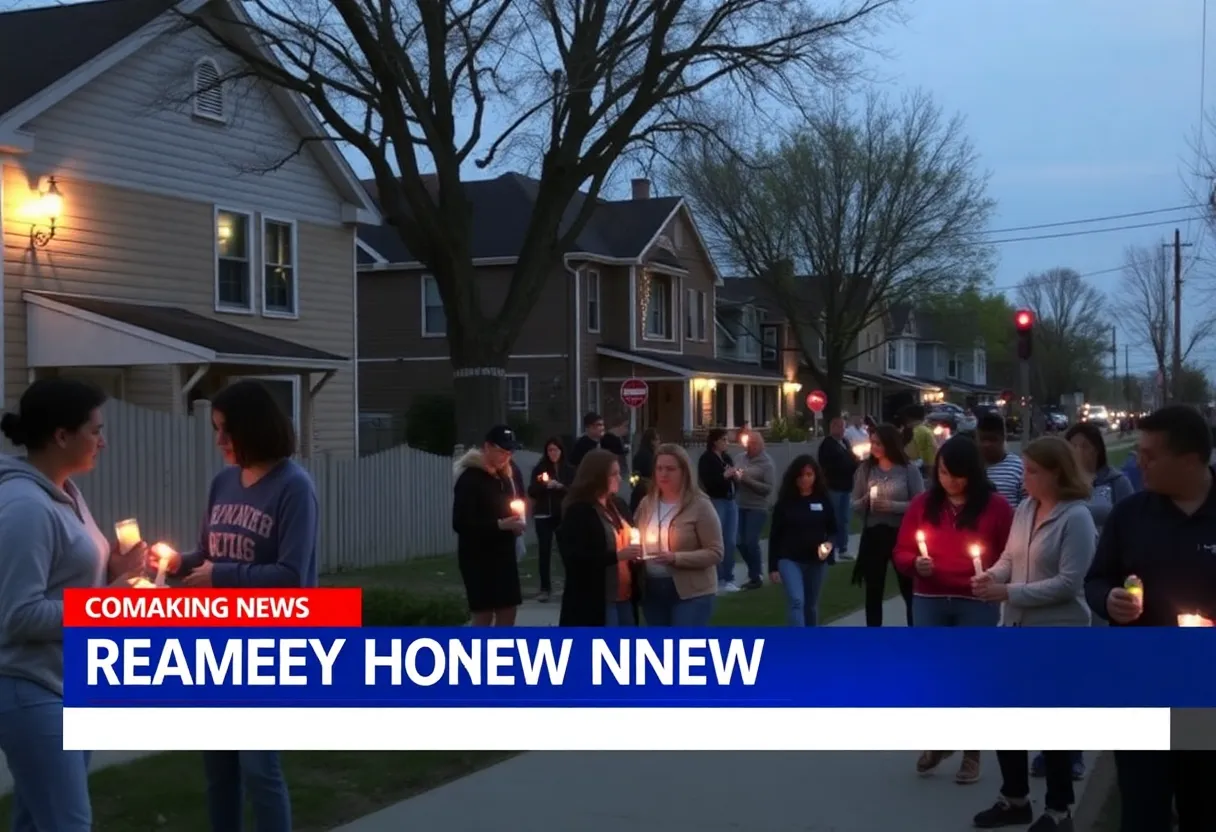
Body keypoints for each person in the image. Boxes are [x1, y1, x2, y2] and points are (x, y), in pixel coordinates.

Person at [153, 380, 319, 831]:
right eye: (216, 430)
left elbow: (291, 577)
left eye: (227, 430)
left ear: (255, 428)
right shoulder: (223, 482)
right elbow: (210, 555)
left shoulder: (293, 487)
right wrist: (175, 562)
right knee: (219, 769)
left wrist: (221, 575)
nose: (220, 441)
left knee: (259, 768)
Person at [0, 379, 144, 832]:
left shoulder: (65, 493)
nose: (103, 441)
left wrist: (114, 567)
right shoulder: (25, 507)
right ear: (61, 436)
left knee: (34, 820)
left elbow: (68, 579)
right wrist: (107, 605)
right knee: (67, 824)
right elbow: (18, 615)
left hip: (65, 684)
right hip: (30, 687)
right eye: (95, 430)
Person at [1084, 405, 1216, 831]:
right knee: (1142, 810)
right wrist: (1110, 600)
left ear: (1191, 459)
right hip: (1142, 686)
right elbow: (1096, 579)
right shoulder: (1131, 515)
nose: (1138, 463)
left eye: (1150, 455)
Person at [971, 436, 1096, 830]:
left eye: (1031, 471)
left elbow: (1067, 583)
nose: (1023, 478)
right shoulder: (1025, 508)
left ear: (1056, 472)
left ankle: (1059, 810)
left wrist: (1007, 590)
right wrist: (992, 574)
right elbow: (1011, 557)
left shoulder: (1076, 517)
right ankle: (1015, 798)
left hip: (1057, 633)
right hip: (1015, 628)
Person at [892, 435, 1013, 786]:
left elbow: (1010, 555)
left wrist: (994, 578)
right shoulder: (921, 505)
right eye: (944, 473)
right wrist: (915, 563)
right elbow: (900, 552)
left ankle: (972, 752)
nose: (950, 481)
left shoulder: (996, 508)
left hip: (975, 601)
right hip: (930, 599)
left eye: (957, 475)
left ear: (972, 473)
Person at [634, 444, 723, 625]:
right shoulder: (647, 504)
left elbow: (715, 552)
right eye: (659, 468)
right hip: (652, 589)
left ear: (684, 471)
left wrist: (676, 557)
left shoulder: (700, 505)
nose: (663, 474)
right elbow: (635, 535)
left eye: (670, 469)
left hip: (692, 591)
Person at [451, 425, 526, 627]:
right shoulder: (470, 478)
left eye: (509, 452)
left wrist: (517, 522)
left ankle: (502, 653)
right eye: (501, 451)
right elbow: (460, 522)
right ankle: (480, 654)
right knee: (484, 613)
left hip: (504, 552)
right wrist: (499, 525)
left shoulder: (506, 476)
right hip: (478, 556)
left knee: (508, 608)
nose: (506, 456)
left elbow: (518, 501)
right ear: (487, 447)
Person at [555, 449, 641, 626]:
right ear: (597, 476)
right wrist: (617, 556)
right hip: (596, 598)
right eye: (614, 474)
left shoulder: (618, 505)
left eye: (619, 473)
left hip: (625, 595)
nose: (619, 478)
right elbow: (575, 560)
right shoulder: (579, 511)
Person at [851, 423, 924, 627]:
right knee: (873, 589)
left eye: (879, 443)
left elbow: (920, 505)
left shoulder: (908, 470)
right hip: (874, 535)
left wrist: (893, 506)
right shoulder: (866, 469)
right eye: (872, 442)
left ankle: (915, 632)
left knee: (908, 588)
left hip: (901, 535)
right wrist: (865, 501)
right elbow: (854, 504)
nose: (874, 447)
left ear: (890, 444)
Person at [768, 455, 837, 625]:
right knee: (797, 601)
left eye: (809, 474)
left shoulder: (823, 500)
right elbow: (775, 535)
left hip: (816, 560)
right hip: (789, 559)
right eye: (801, 475)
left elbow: (834, 530)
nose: (805, 479)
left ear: (815, 476)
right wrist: (773, 567)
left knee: (811, 605)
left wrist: (829, 544)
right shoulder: (784, 503)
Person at [527, 438, 574, 602]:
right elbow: (531, 490)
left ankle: (571, 587)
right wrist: (544, 487)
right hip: (543, 515)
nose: (553, 453)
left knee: (566, 551)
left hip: (562, 515)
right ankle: (545, 588)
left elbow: (574, 490)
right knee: (544, 551)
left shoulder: (568, 470)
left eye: (556, 450)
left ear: (561, 451)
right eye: (550, 450)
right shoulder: (540, 469)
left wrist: (561, 487)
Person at [1065, 422, 1133, 532]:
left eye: (1085, 446)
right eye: (1073, 447)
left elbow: (1130, 519)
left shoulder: (1117, 482)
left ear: (1097, 450)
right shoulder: (1063, 483)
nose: (1078, 452)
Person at [698, 428, 741, 593]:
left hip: (730, 501)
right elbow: (709, 482)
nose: (726, 443)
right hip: (717, 501)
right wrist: (724, 476)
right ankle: (719, 577)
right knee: (718, 540)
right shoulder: (707, 459)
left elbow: (733, 478)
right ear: (715, 441)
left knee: (730, 541)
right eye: (724, 440)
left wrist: (735, 477)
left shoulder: (726, 458)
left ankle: (729, 577)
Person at [735, 432, 775, 589]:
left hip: (757, 507)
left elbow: (768, 489)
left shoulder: (767, 464)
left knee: (751, 541)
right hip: (740, 504)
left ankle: (756, 576)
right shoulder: (740, 458)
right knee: (738, 541)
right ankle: (753, 570)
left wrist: (747, 480)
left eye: (753, 444)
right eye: (748, 443)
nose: (750, 447)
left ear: (761, 445)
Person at [818, 417, 859, 562]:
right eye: (840, 427)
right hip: (833, 486)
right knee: (833, 519)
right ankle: (830, 549)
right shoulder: (827, 445)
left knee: (844, 519)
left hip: (846, 486)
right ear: (833, 428)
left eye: (844, 427)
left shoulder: (845, 443)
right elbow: (829, 465)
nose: (843, 431)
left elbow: (852, 459)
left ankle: (843, 547)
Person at [976, 412, 1025, 506]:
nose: (987, 445)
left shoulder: (1018, 467)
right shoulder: (970, 467)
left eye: (993, 440)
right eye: (983, 440)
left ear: (1003, 438)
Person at [629, 427, 659, 514]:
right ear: (651, 441)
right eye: (657, 439)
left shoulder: (640, 454)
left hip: (639, 491)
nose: (659, 442)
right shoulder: (649, 457)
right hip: (645, 491)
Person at [901, 404, 937, 475]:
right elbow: (931, 453)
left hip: (916, 468)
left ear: (909, 418)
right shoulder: (926, 431)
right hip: (920, 468)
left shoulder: (908, 431)